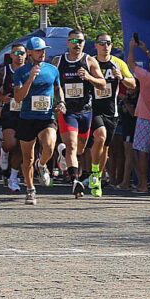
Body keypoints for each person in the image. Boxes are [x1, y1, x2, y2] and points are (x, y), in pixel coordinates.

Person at [52, 29, 106, 198]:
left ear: (84, 43)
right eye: (74, 41)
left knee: (80, 149)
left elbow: (102, 84)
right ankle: (75, 181)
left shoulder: (89, 61)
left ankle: (63, 154)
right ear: (68, 43)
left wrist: (89, 77)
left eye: (80, 41)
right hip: (67, 110)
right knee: (73, 146)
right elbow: (53, 84)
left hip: (85, 110)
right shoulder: (58, 61)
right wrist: (58, 101)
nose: (77, 44)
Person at [13, 36, 65, 205]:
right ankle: (30, 190)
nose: (42, 53)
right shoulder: (21, 72)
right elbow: (18, 97)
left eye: (44, 50)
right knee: (27, 158)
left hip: (46, 116)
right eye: (38, 50)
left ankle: (42, 164)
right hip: (27, 118)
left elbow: (57, 88)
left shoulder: (52, 69)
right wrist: (30, 79)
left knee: (50, 145)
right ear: (29, 53)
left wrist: (61, 102)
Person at [89, 33, 136, 197]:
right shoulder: (90, 62)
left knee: (105, 149)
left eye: (108, 43)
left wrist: (121, 77)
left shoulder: (118, 63)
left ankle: (98, 178)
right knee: (100, 138)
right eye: (102, 43)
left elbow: (133, 84)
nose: (105, 46)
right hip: (93, 108)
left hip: (111, 110)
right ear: (96, 45)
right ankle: (94, 173)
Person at [127, 38, 150, 193]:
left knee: (142, 153)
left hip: (145, 119)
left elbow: (131, 63)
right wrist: (147, 51)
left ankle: (143, 184)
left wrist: (132, 48)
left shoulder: (146, 77)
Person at [0, 44, 26, 193]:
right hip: (10, 111)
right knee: (11, 143)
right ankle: (4, 151)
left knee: (20, 145)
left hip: (25, 112)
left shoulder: (30, 71)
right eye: (16, 53)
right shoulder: (4, 71)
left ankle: (13, 176)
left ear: (26, 55)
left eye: (22, 53)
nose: (19, 55)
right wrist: (1, 97)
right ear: (11, 55)